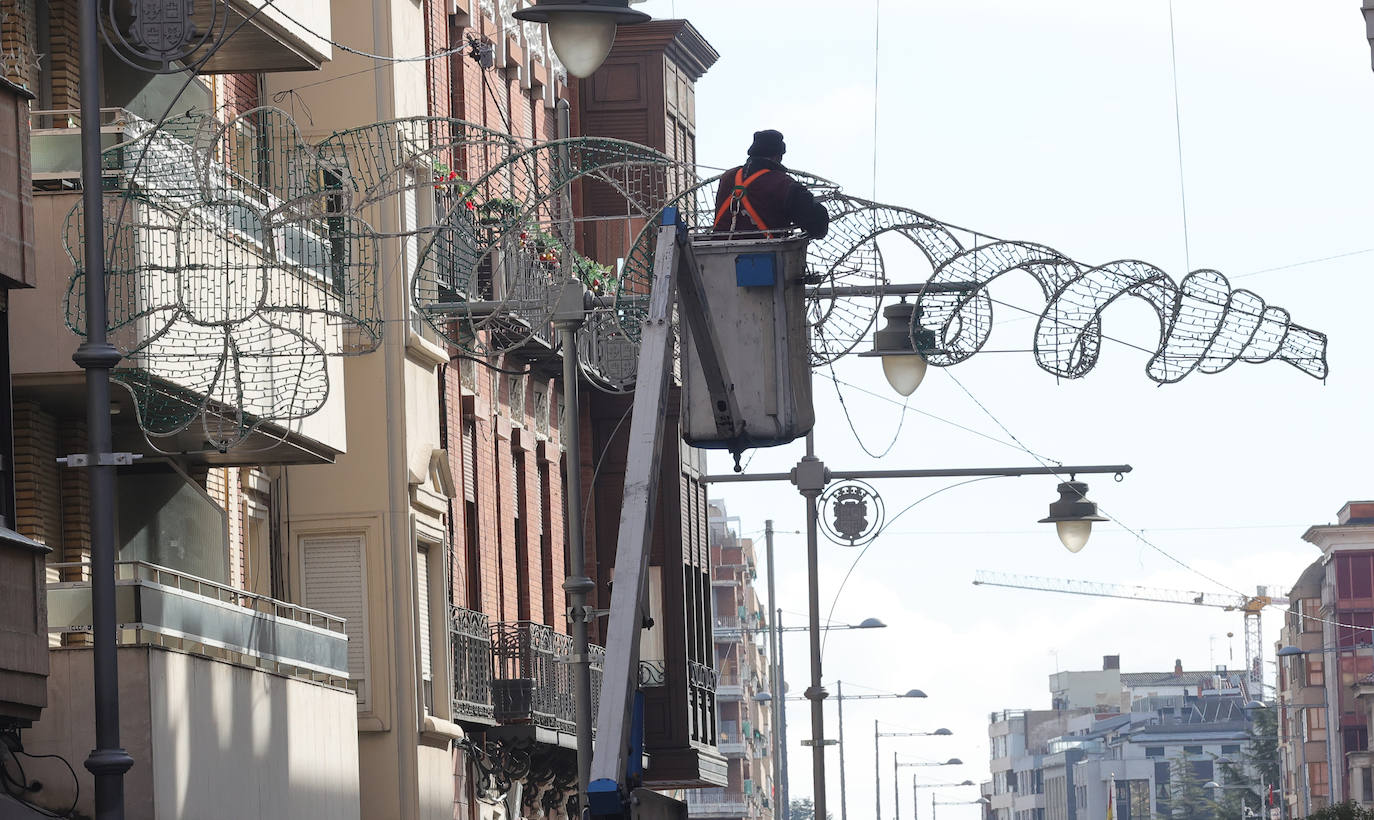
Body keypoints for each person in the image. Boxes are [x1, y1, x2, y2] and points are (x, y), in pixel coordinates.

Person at [712, 129, 829, 239]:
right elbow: (818, 226)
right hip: (765, 255)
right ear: (779, 156)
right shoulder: (782, 184)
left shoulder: (728, 177)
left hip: (716, 254)